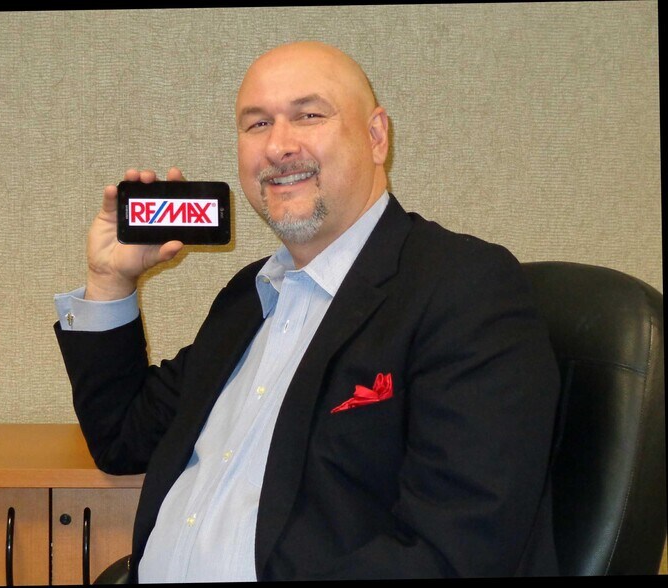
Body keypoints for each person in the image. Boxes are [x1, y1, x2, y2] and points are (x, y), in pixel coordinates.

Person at [54, 41, 560, 581]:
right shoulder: (248, 298)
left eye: (308, 116)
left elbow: (458, 548)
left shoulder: (463, 286)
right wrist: (110, 280)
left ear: (376, 136)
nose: (278, 146)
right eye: (257, 124)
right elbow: (122, 438)